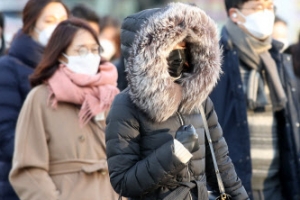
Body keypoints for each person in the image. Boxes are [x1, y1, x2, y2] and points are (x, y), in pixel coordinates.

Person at [105, 3, 249, 200]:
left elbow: (222, 164)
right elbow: (123, 181)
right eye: (171, 46)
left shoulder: (198, 99)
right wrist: (175, 153)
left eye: (183, 46)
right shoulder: (126, 105)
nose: (179, 53)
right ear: (148, 53)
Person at [9, 18, 120, 200]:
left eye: (94, 50)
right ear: (61, 55)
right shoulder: (41, 98)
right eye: (81, 50)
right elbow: (28, 170)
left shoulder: (111, 96)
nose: (90, 56)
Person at [210, 0, 300, 199]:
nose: (267, 13)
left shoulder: (277, 59)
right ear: (235, 14)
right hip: (232, 189)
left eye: (270, 7)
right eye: (258, 7)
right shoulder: (215, 61)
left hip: (277, 188)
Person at [0, 1, 68, 200]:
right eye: (50, 20)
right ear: (31, 25)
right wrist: (52, 159)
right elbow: (6, 132)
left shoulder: (68, 67)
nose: (57, 27)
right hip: (20, 185)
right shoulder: (8, 68)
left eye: (63, 21)